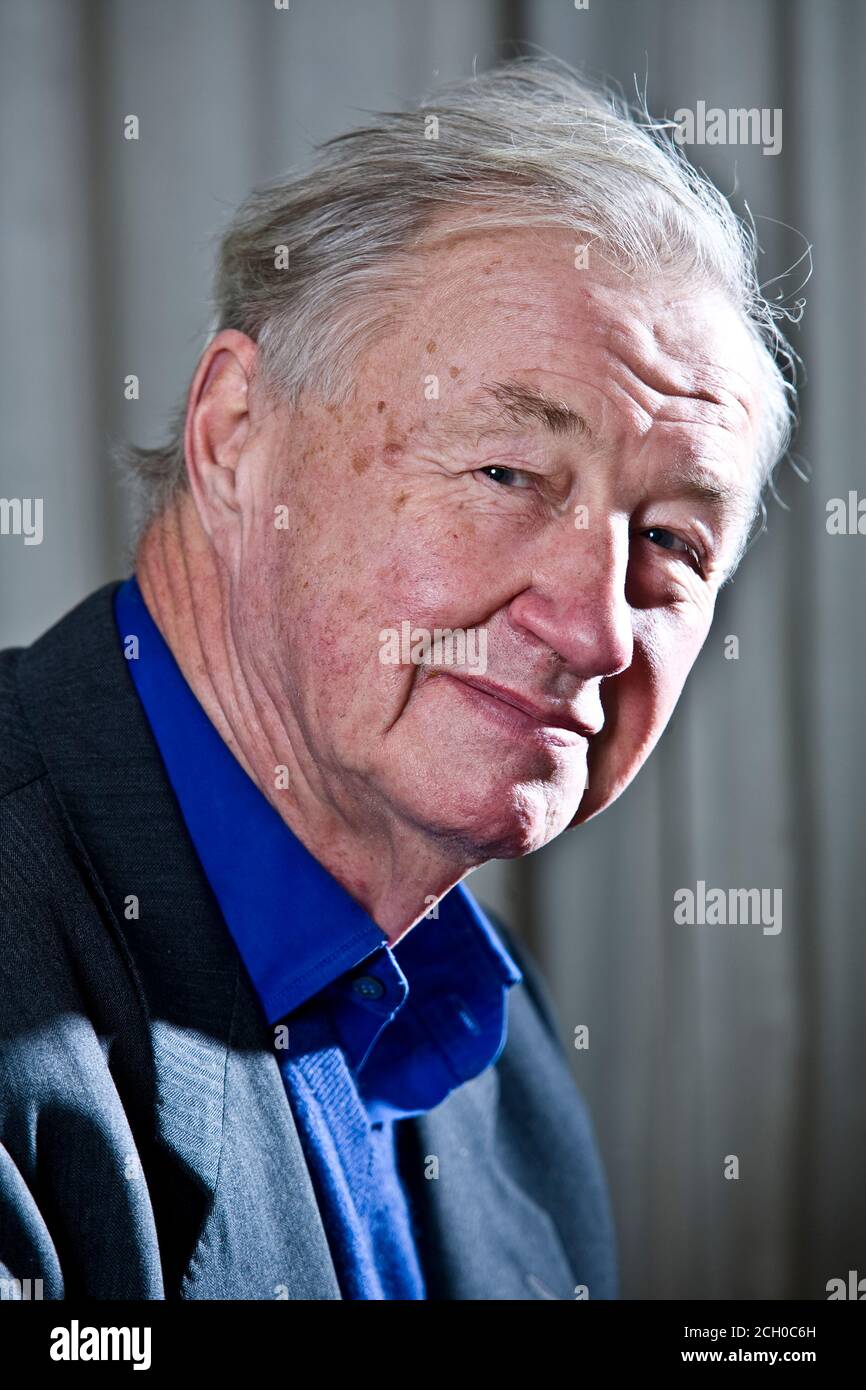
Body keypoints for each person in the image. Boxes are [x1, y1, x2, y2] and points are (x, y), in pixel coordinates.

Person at [0, 58, 795, 1300]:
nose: (593, 629)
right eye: (507, 474)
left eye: (670, 544)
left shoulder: (503, 1058)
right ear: (232, 437)